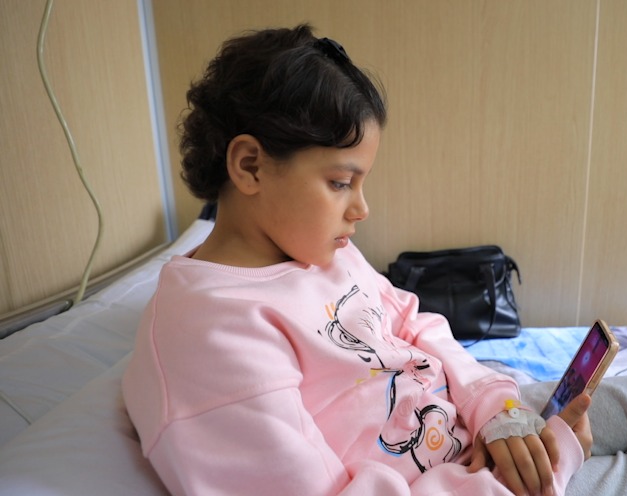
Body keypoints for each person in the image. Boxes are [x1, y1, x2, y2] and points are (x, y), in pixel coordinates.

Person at [122, 24, 590, 496]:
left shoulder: (323, 252)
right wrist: (552, 467)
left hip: (477, 429)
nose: (362, 209)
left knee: (614, 402)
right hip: (478, 483)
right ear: (250, 165)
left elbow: (412, 323)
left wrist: (494, 406)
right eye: (341, 183)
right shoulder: (212, 333)